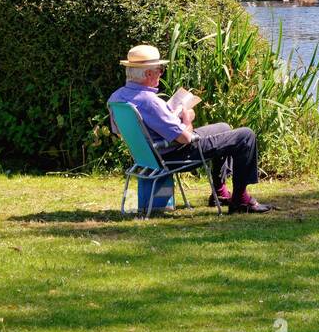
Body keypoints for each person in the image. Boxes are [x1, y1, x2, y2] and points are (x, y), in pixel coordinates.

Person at [108, 44, 270, 213]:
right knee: (246, 135)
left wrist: (169, 117)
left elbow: (121, 130)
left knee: (224, 127)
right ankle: (241, 200)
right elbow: (185, 138)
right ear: (148, 73)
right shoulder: (150, 101)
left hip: (147, 156)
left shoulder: (117, 97)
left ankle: (220, 193)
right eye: (160, 69)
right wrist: (187, 119)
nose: (161, 73)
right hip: (172, 155)